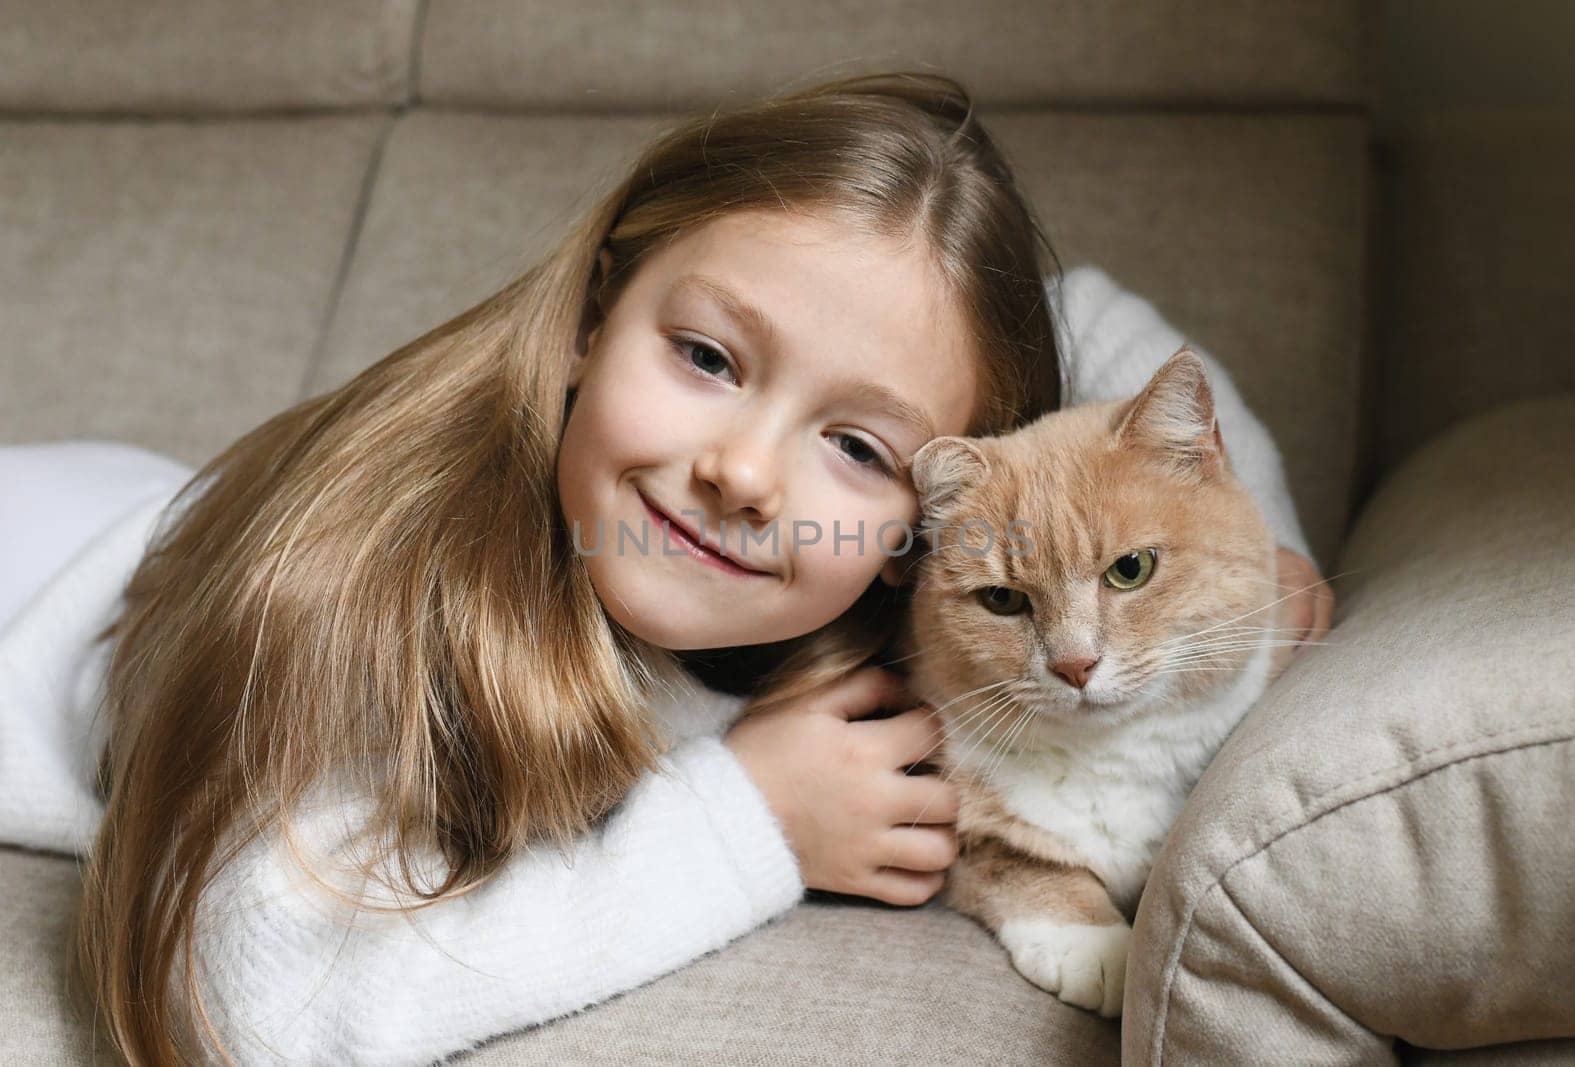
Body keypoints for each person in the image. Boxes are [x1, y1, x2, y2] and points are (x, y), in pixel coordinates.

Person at [0, 71, 1332, 1065]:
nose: (745, 474)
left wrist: (1241, 544)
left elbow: (1083, 314)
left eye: (858, 444)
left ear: (912, 537)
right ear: (591, 317)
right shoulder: (381, 607)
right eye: (707, 358)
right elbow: (241, 1004)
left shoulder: (912, 583)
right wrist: (745, 823)